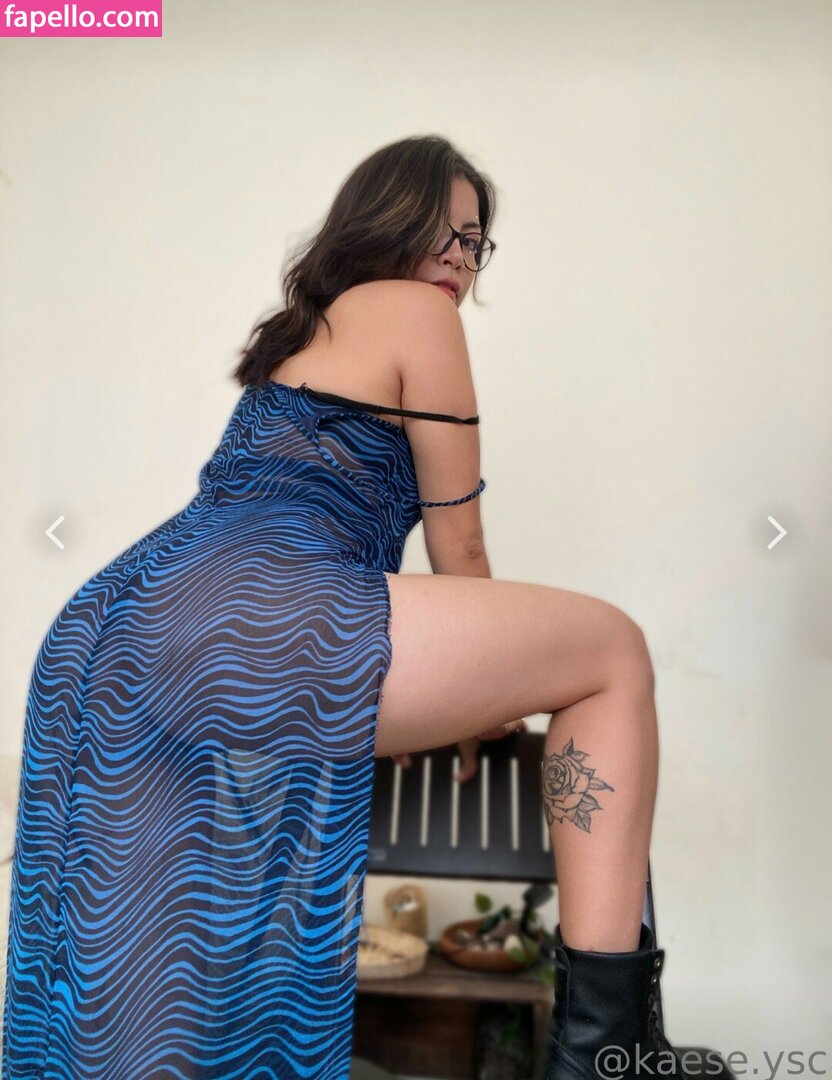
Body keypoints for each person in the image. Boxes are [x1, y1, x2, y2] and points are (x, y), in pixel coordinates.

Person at [1, 134, 686, 1080]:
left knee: (163, 950)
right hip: (254, 606)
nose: (460, 259)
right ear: (388, 218)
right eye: (445, 230)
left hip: (122, 626)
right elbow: (460, 549)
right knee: (612, 652)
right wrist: (483, 701)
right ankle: (606, 1053)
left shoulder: (305, 333)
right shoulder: (413, 310)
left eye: (476, 242)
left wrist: (438, 694)